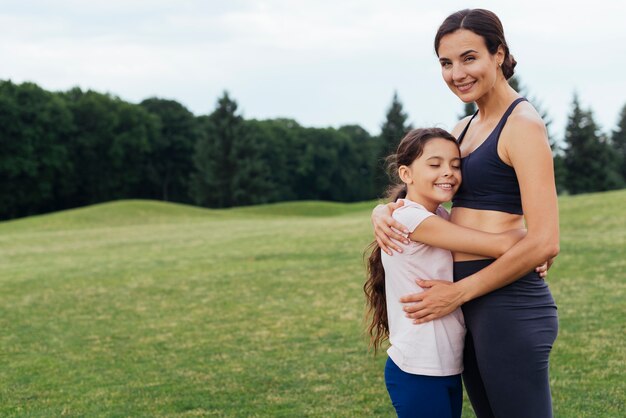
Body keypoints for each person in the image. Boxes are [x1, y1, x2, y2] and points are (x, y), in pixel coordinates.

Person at [371, 9, 559, 418]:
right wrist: (381, 211)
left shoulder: (523, 124)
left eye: (469, 58)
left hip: (505, 302)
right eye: (446, 62)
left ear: (498, 54)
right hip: (464, 306)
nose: (457, 73)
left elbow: (545, 240)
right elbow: (418, 198)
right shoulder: (460, 130)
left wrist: (459, 293)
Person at [364, 127, 528, 418]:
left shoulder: (437, 216)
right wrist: (537, 243)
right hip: (418, 367)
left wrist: (528, 252)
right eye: (434, 164)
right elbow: (497, 244)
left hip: (444, 365)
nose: (448, 172)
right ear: (406, 174)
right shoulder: (410, 218)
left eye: (455, 164)